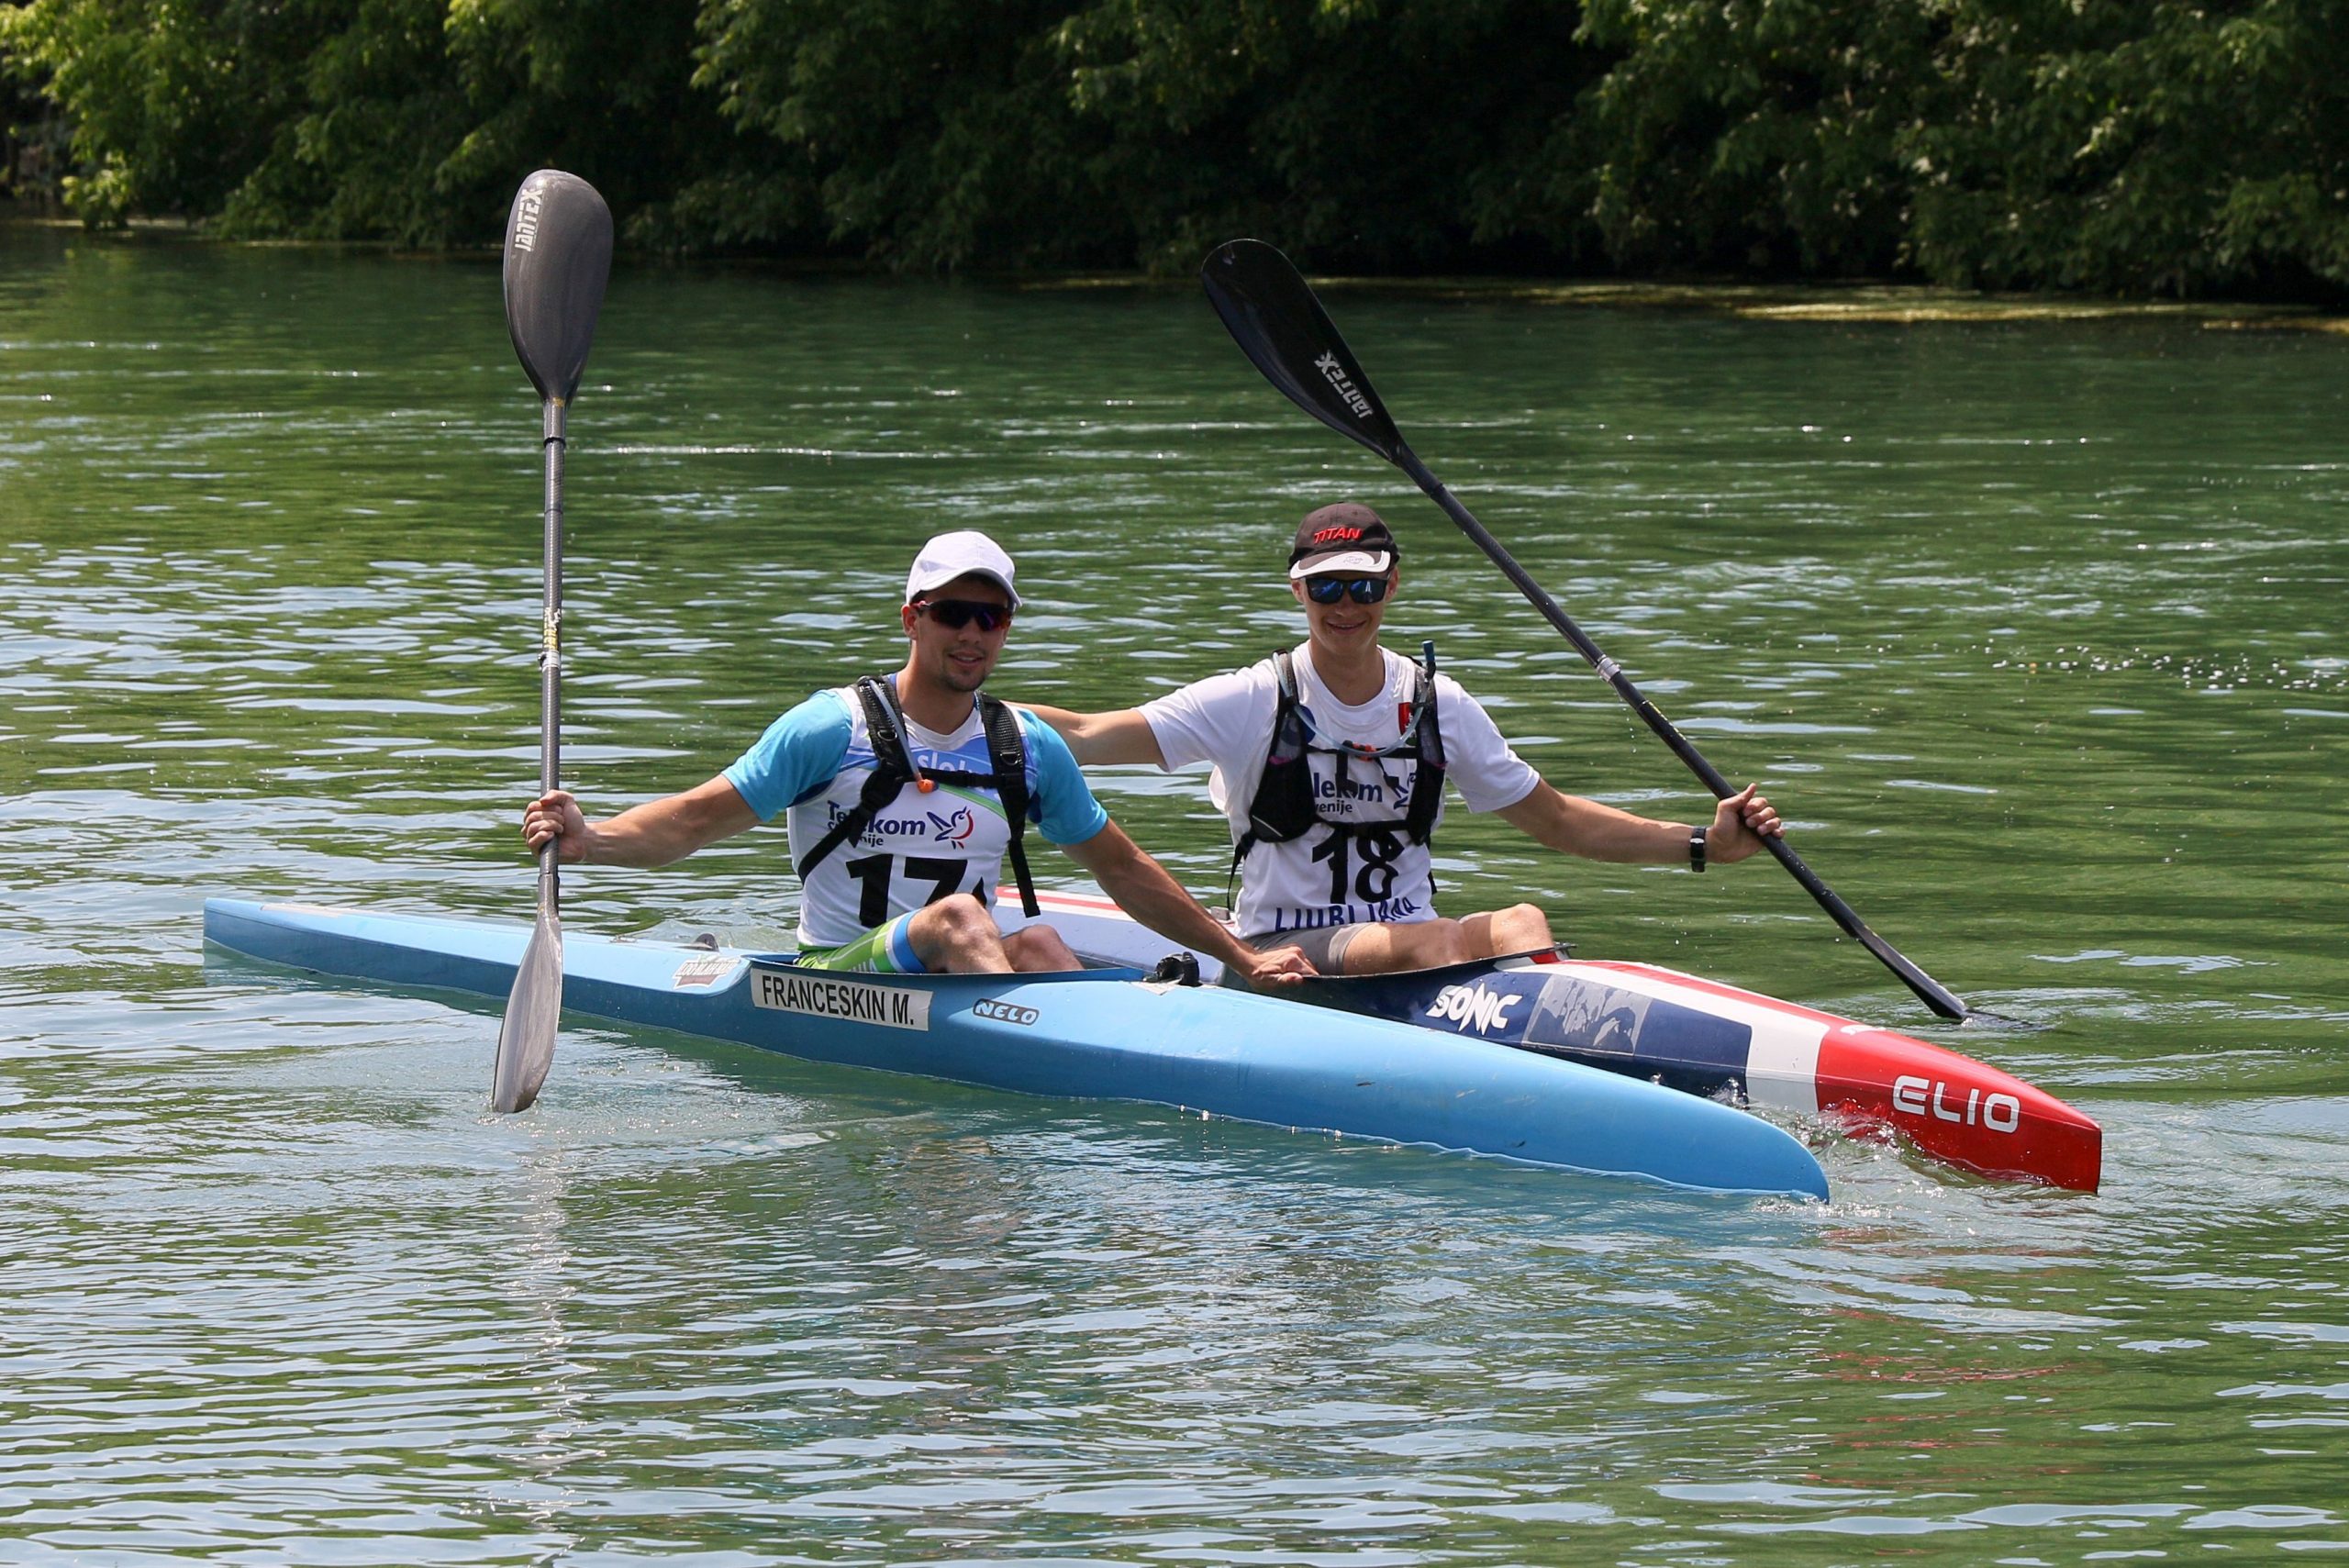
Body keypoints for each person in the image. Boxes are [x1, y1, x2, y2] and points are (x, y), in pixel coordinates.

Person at [1020, 503, 1787, 982]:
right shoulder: (1254, 697)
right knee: (1427, 941)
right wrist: (934, 704)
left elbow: (1557, 820)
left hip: (1417, 941)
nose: (1344, 605)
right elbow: (1089, 733)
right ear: (1298, 592)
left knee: (1524, 921)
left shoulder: (1436, 704)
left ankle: (1562, 1058)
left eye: (1362, 586)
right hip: (1288, 950)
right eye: (1326, 587)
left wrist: (1702, 847)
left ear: (1391, 587)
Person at [521, 529, 1313, 986]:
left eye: (992, 615)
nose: (973, 633)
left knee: (1034, 937)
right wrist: (593, 841)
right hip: (838, 978)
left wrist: (1241, 957)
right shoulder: (829, 729)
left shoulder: (1024, 745)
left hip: (962, 975)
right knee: (966, 915)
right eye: (953, 613)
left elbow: (1125, 868)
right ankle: (1030, 1067)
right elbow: (694, 821)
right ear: (912, 618)